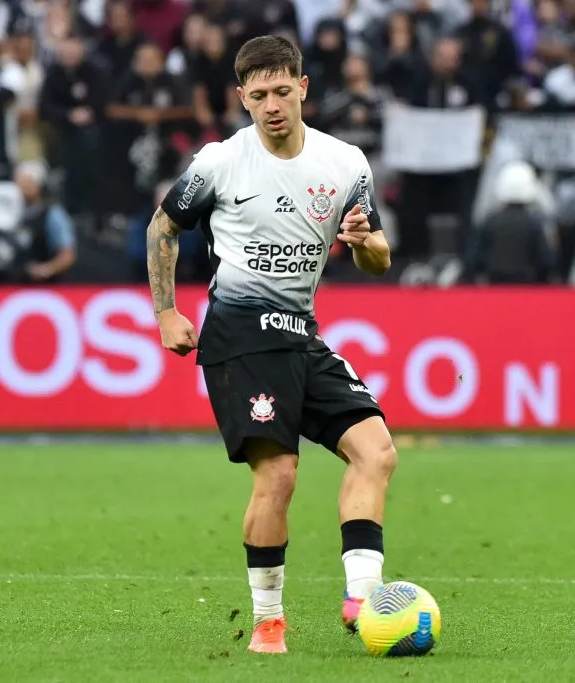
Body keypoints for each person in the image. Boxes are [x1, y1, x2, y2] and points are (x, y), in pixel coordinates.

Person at [144, 35, 395, 655]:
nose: (272, 105)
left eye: (282, 91)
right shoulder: (220, 162)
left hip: (301, 334)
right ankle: (268, 624)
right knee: (278, 475)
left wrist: (363, 242)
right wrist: (166, 313)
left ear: (303, 87)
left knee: (377, 451)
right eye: (258, 96)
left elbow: (380, 261)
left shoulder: (346, 164)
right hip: (239, 336)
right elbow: (163, 225)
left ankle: (363, 601)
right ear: (242, 99)